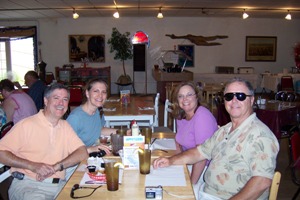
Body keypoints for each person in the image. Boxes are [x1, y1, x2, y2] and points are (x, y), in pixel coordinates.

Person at [153, 78, 279, 200]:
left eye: (240, 96)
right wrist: (171, 160)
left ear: (251, 100)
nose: (234, 101)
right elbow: (199, 152)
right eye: (229, 96)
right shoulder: (225, 130)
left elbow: (262, 181)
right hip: (207, 191)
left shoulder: (260, 135)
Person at [0, 83, 88, 200]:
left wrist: (56, 167)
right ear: (46, 101)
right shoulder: (26, 125)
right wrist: (33, 166)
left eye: (65, 99)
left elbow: (82, 152)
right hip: (29, 186)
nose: (61, 103)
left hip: (60, 185)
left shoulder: (64, 125)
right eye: (56, 98)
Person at [171, 81, 218, 198]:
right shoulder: (181, 115)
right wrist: (176, 160)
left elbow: (202, 156)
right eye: (180, 96)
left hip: (204, 171)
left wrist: (191, 185)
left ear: (197, 96)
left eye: (189, 95)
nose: (185, 99)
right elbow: (179, 139)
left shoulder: (202, 116)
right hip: (190, 163)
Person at [67, 78, 129, 154]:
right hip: (75, 161)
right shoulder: (75, 118)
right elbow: (66, 148)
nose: (100, 95)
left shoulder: (97, 111)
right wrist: (91, 149)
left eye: (103, 92)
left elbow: (99, 129)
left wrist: (124, 132)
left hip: (88, 155)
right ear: (87, 93)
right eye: (96, 91)